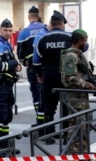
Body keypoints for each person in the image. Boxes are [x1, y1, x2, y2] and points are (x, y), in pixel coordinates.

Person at [33, 10, 70, 145]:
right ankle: (66, 136)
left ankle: (49, 136)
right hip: (65, 76)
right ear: (61, 24)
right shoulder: (69, 37)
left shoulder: (42, 39)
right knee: (66, 106)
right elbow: (83, 47)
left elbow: (36, 61)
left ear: (51, 24)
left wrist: (40, 74)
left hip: (48, 76)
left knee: (49, 107)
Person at [59, 29, 96, 161]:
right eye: (85, 40)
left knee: (84, 124)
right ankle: (72, 154)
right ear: (80, 40)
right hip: (75, 96)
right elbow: (68, 79)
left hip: (82, 96)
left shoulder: (78, 56)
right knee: (75, 124)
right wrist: (86, 84)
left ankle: (82, 152)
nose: (86, 43)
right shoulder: (71, 56)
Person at [0, 18, 22, 156]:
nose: (8, 33)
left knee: (6, 117)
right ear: (0, 30)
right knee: (1, 117)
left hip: (7, 84)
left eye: (10, 30)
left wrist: (16, 66)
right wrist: (13, 63)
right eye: (5, 30)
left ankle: (6, 144)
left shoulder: (6, 44)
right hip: (0, 85)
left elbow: (8, 63)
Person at [17, 6, 45, 128]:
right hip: (46, 67)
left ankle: (40, 122)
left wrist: (24, 62)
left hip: (33, 67)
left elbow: (20, 52)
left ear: (29, 17)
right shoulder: (46, 29)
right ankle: (49, 124)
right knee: (46, 94)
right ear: (38, 16)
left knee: (36, 94)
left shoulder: (24, 32)